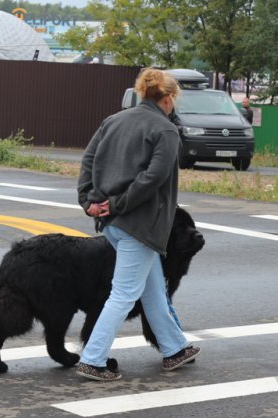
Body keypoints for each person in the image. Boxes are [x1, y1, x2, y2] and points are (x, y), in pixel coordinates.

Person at [75, 68, 201, 381]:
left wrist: (88, 200)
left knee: (153, 288)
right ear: (169, 98)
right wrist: (119, 203)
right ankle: (92, 359)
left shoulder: (113, 120)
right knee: (124, 294)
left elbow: (88, 161)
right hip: (141, 225)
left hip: (112, 223)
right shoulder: (166, 131)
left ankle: (175, 348)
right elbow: (153, 179)